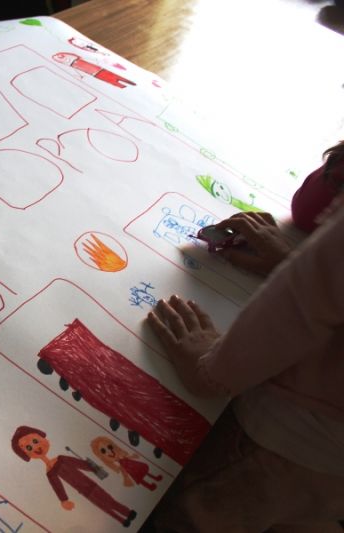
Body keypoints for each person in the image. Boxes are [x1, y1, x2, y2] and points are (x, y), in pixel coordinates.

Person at [144, 143, 344, 532]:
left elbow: (299, 305)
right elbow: (310, 206)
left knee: (191, 516)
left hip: (291, 444)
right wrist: (297, 263)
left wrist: (210, 372)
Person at [10, 425, 138, 528]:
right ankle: (121, 520)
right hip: (84, 491)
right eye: (28, 447)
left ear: (43, 439)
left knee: (108, 499)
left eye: (35, 441)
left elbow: (78, 463)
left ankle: (126, 512)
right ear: (26, 454)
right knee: (102, 505)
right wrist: (64, 500)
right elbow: (58, 487)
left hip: (91, 484)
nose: (35, 447)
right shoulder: (50, 472)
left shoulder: (61, 459)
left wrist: (93, 468)